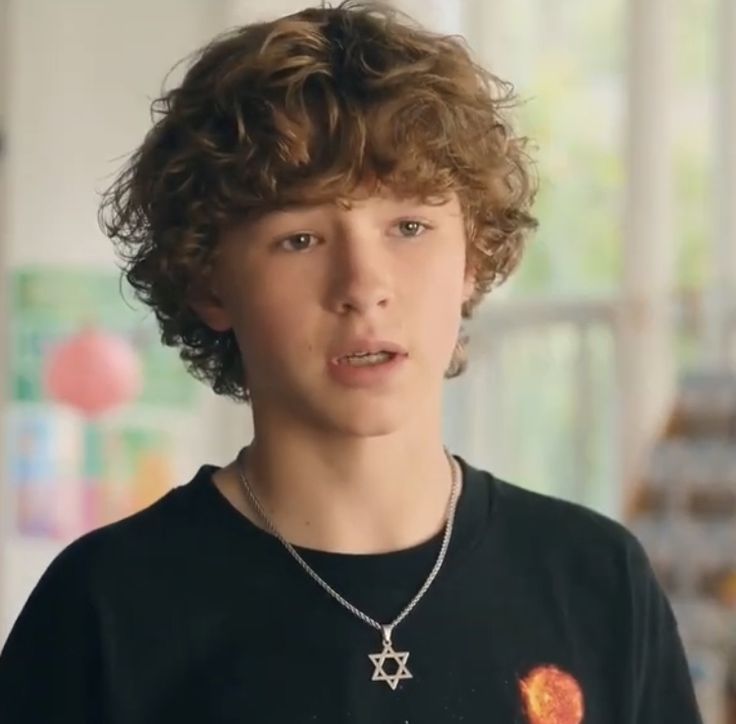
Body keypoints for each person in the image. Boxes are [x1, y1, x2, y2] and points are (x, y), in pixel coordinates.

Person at [0, 2, 702, 722]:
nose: (365, 287)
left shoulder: (595, 580)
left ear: (474, 256)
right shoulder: (106, 608)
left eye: (409, 226)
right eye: (300, 239)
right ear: (210, 282)